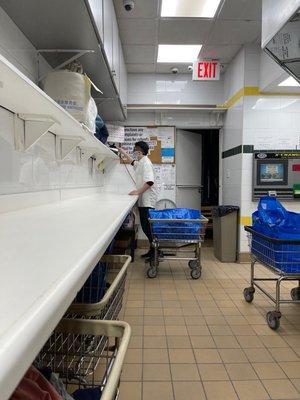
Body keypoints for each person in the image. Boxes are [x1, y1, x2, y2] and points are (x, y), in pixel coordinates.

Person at [119, 141, 157, 259]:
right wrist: (122, 152)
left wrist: (137, 192)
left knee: (147, 227)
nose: (134, 152)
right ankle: (153, 250)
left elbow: (150, 182)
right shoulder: (141, 162)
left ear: (139, 151)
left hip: (147, 201)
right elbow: (132, 162)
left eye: (135, 150)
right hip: (143, 200)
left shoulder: (146, 163)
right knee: (146, 227)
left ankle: (155, 250)